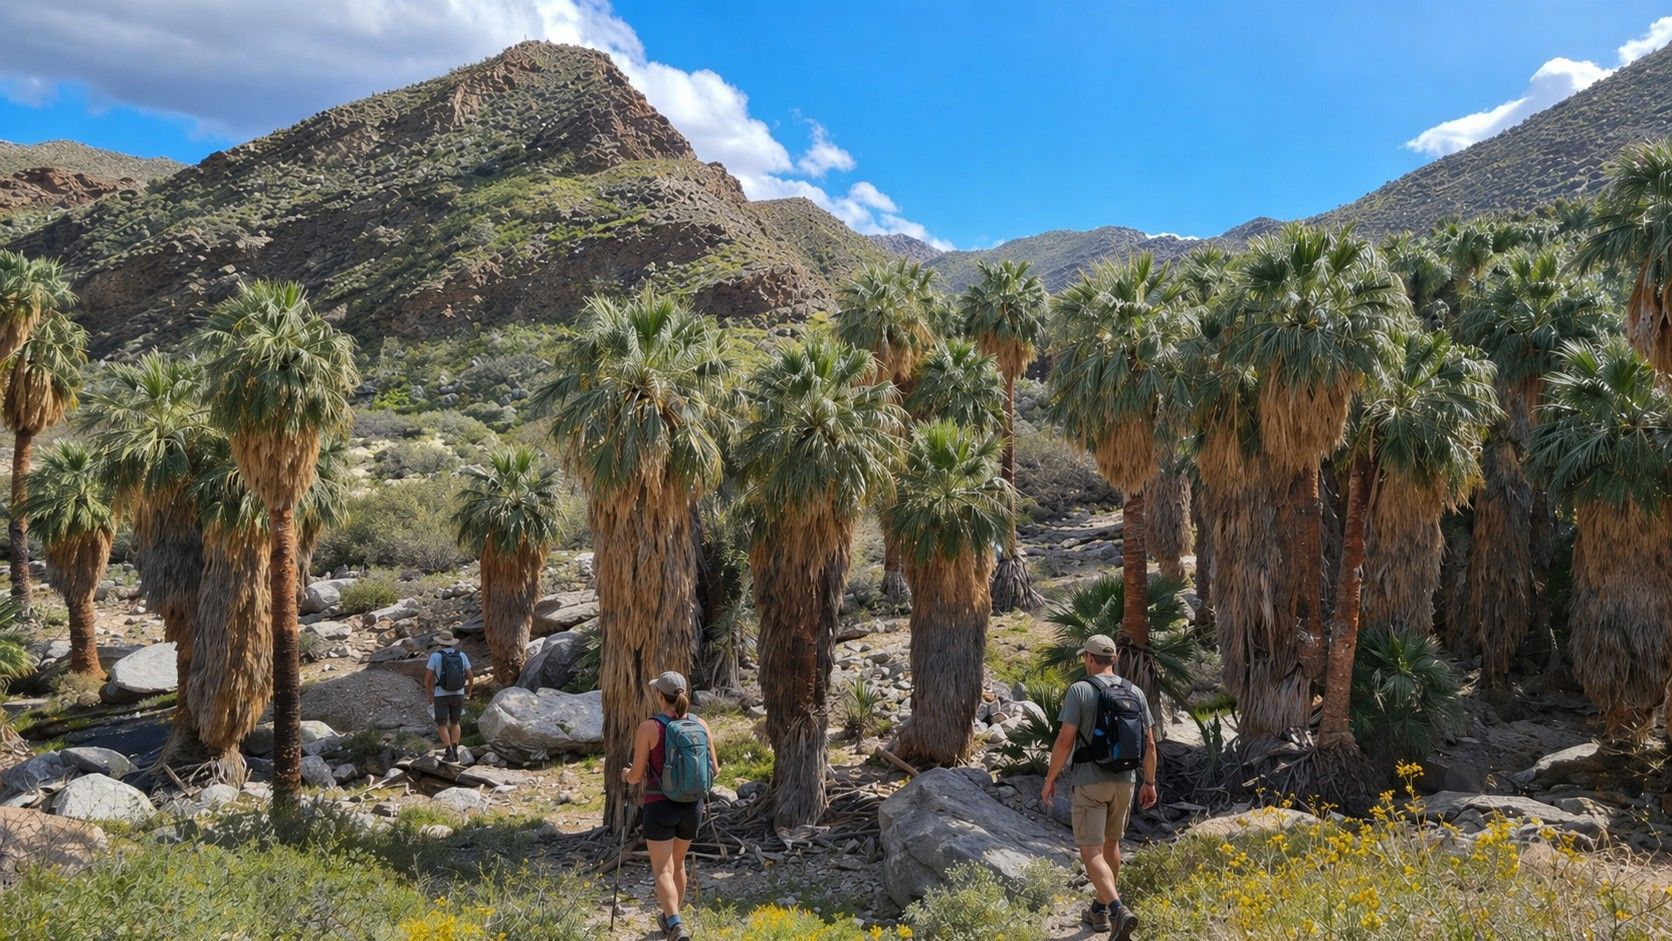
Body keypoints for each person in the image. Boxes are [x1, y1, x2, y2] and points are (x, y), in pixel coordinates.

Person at [1040, 634, 1159, 940]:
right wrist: (1150, 782)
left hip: (1090, 782)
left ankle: (1118, 910)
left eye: (1085, 658)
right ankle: (1099, 910)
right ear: (1114, 659)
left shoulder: (1080, 690)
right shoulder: (1135, 691)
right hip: (1126, 781)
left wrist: (1050, 779)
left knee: (1091, 852)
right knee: (1112, 845)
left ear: (1090, 659)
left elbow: (1066, 740)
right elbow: (1149, 744)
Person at [623, 671, 720, 941]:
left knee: (662, 869)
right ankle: (671, 919)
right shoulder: (700, 724)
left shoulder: (650, 727)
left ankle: (676, 925)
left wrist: (624, 774)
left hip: (660, 805)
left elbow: (636, 775)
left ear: (659, 695)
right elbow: (716, 769)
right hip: (692, 807)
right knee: (678, 865)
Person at [423, 631, 473, 763]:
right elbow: (470, 675)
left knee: (442, 724)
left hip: (441, 694)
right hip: (458, 693)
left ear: (440, 642)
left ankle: (448, 751)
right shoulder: (461, 655)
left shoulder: (435, 656)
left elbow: (427, 679)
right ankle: (456, 750)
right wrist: (469, 692)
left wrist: (429, 695)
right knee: (456, 722)